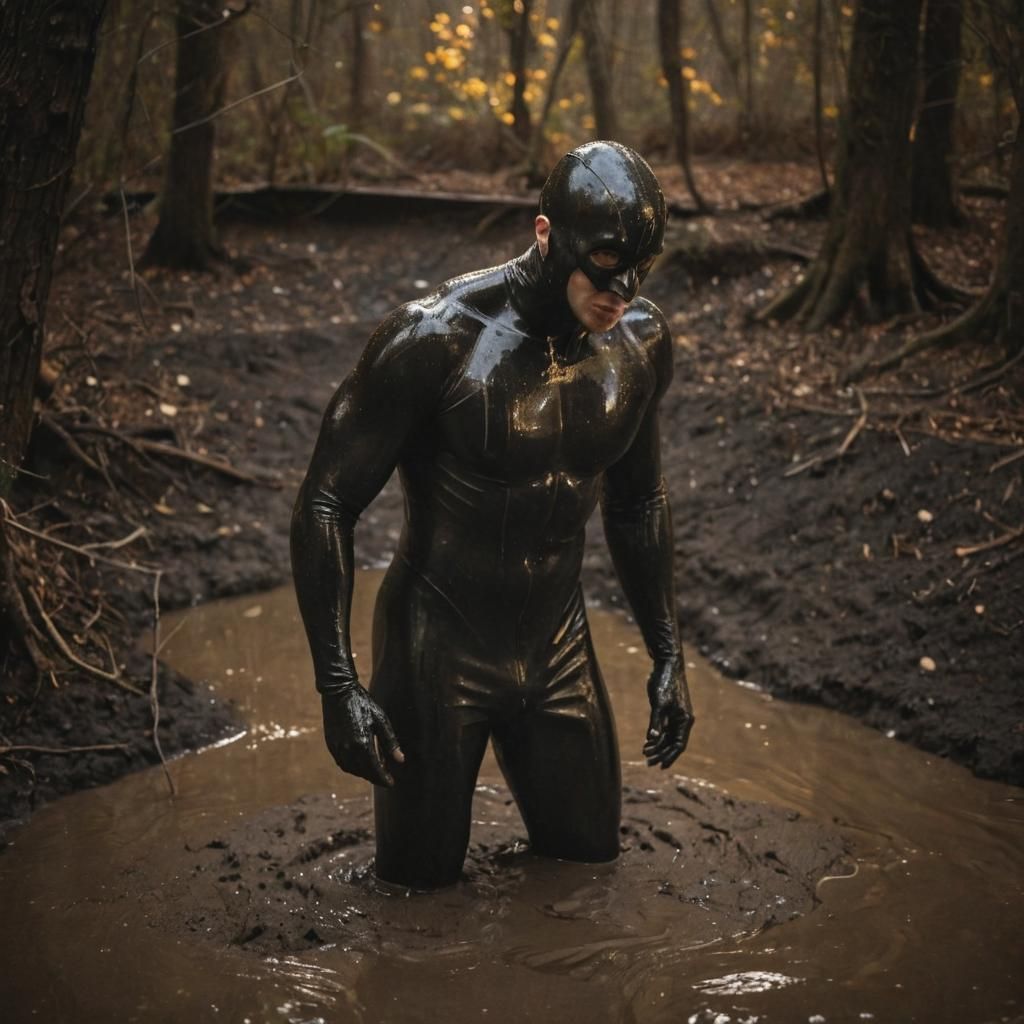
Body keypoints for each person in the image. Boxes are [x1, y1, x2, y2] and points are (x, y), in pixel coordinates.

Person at [291, 140, 694, 891]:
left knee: (589, 870)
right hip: (437, 646)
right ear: (546, 234)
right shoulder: (432, 338)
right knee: (416, 896)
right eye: (607, 259)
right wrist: (339, 686)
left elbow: (638, 502)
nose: (625, 287)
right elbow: (325, 502)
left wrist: (668, 654)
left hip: (559, 645)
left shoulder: (640, 343)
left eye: (644, 263)